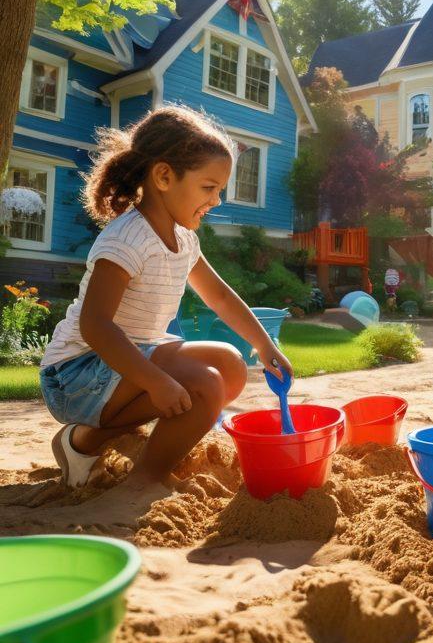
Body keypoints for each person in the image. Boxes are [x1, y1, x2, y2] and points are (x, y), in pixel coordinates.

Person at [39, 105, 292, 521]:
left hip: (125, 360)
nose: (216, 200)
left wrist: (264, 345)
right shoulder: (126, 239)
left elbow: (221, 298)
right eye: (209, 187)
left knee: (230, 367)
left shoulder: (183, 239)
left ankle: (81, 444)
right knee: (203, 388)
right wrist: (156, 381)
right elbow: (96, 326)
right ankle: (144, 482)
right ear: (163, 177)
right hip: (75, 373)